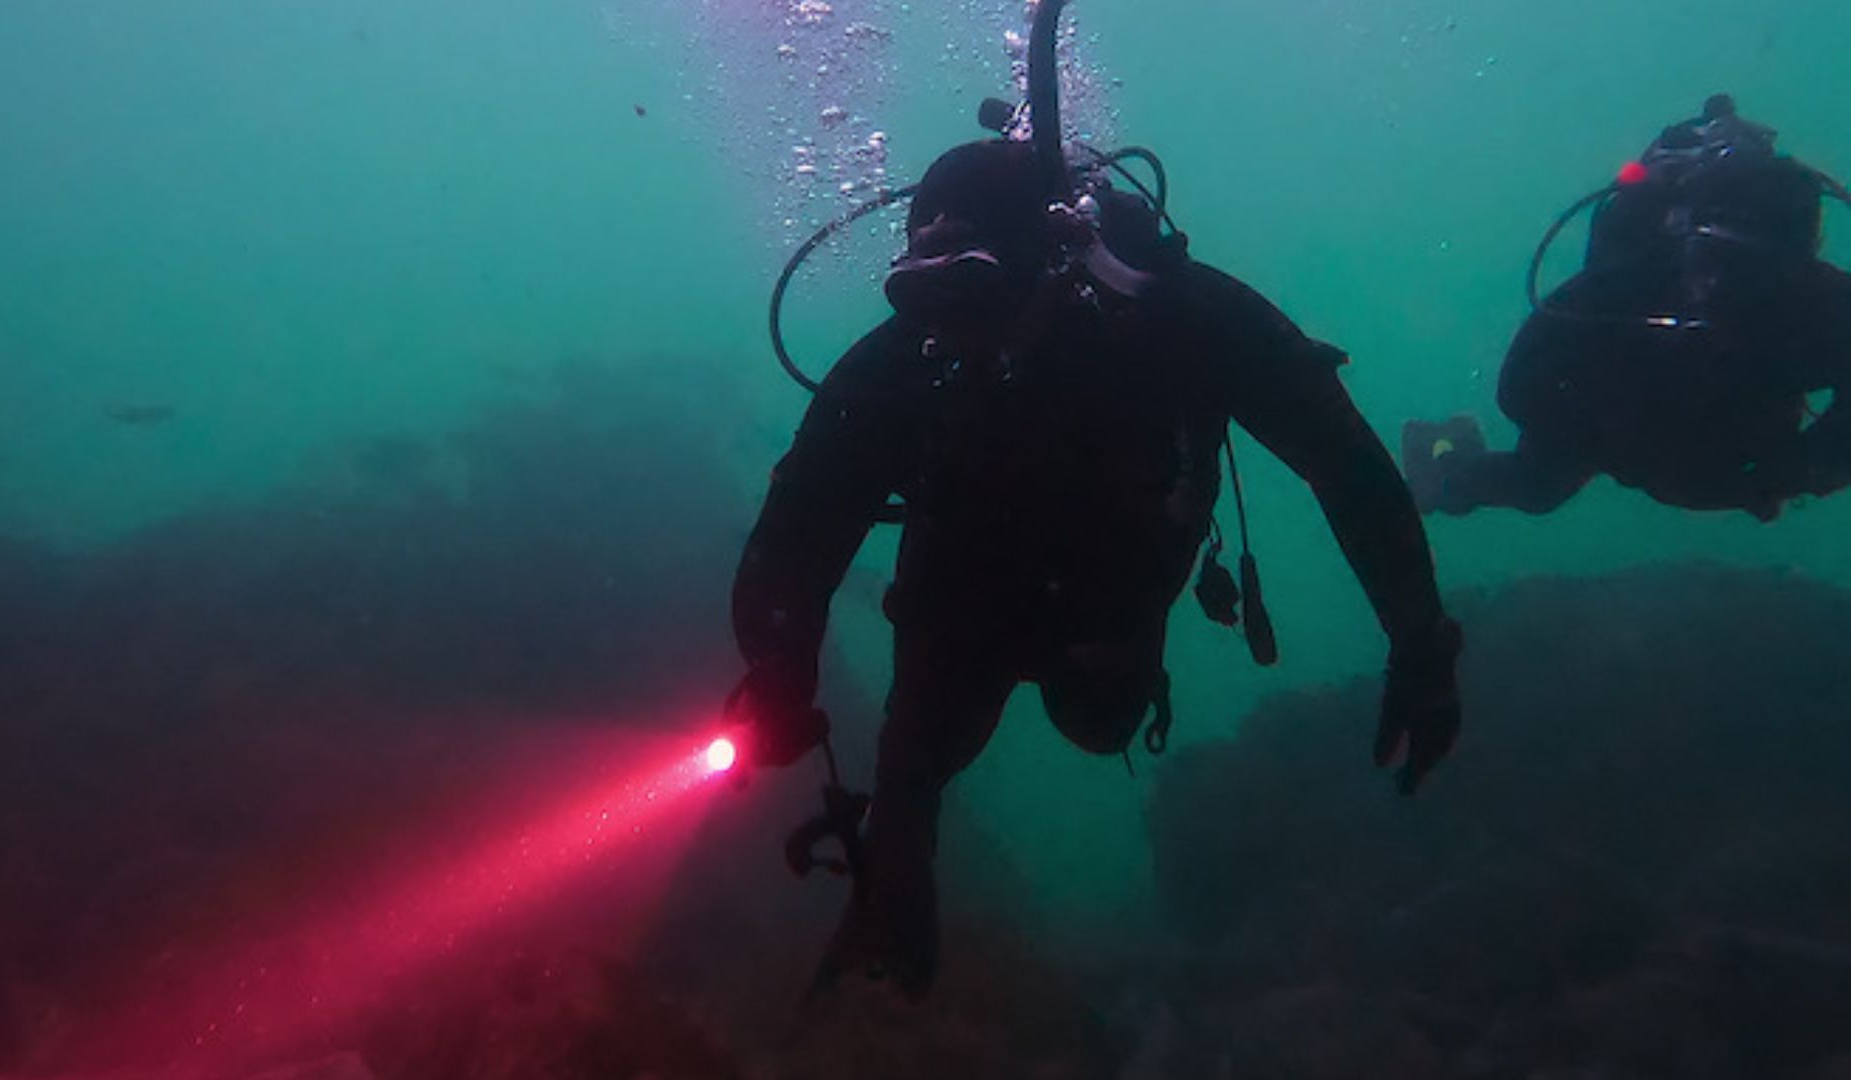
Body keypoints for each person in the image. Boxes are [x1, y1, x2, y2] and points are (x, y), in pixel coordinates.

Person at [725, 0, 1461, 1002]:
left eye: (973, 287)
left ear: (1057, 256)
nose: (950, 328)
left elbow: (1346, 465)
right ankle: (891, 907)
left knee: (1099, 720)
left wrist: (1420, 640)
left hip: (1116, 593)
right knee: (917, 759)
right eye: (920, 292)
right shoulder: (907, 361)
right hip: (960, 599)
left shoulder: (1176, 320)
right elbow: (800, 532)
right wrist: (778, 673)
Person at [1404, 94, 1851, 519]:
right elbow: (1524, 381)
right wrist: (1801, 471)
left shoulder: (1624, 282)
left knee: (1537, 486)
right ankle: (1445, 460)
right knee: (1537, 486)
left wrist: (1803, 469)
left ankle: (1447, 465)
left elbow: (1523, 376)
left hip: (1668, 437)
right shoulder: (1803, 297)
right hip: (1662, 434)